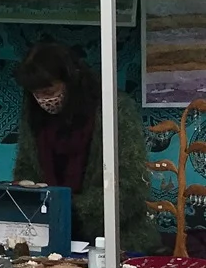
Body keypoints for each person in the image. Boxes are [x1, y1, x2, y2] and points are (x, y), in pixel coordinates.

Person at [12, 42, 159, 255]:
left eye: (49, 90)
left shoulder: (113, 110)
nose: (44, 100)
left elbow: (130, 188)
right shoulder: (34, 116)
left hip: (117, 243)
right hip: (49, 240)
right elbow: (25, 170)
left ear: (70, 81)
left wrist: (67, 207)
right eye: (36, 94)